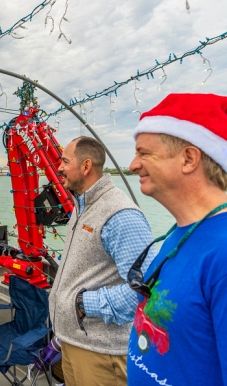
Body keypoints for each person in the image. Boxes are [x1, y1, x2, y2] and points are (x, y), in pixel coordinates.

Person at [126, 93, 227, 384]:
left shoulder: (222, 252)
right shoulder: (178, 235)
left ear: (188, 159)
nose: (133, 165)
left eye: (144, 153)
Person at [48, 136, 155, 386]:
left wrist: (83, 304)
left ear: (85, 167)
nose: (59, 168)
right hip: (75, 342)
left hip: (101, 353)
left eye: (64, 161)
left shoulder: (120, 214)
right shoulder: (81, 206)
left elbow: (147, 288)